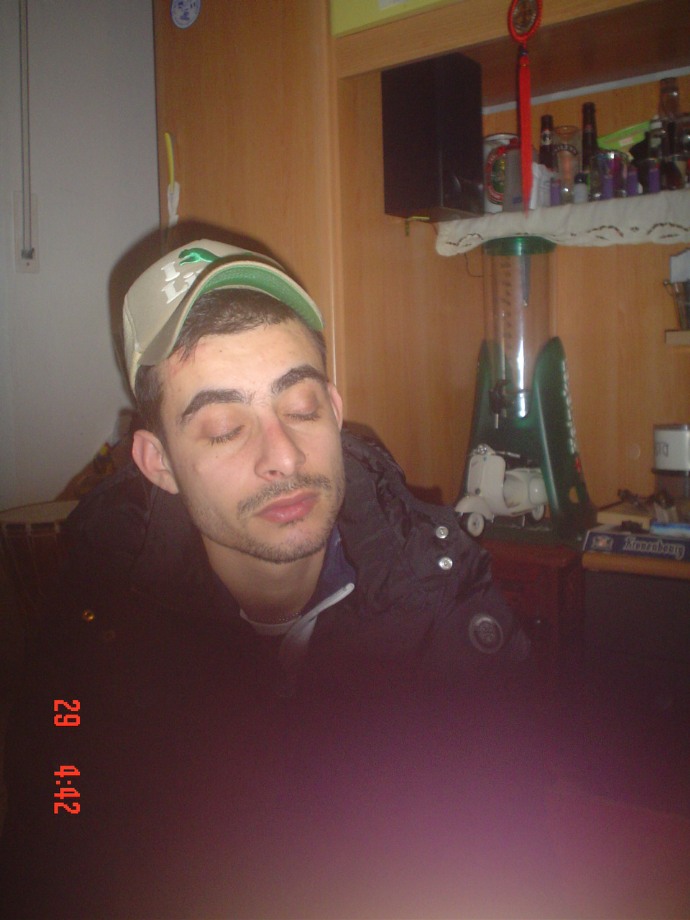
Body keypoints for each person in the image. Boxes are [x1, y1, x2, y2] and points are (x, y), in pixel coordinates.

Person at [0, 240, 556, 919]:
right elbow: (58, 829)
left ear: (335, 409)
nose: (284, 456)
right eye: (224, 428)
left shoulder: (441, 591)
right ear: (158, 463)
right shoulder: (91, 640)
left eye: (299, 407)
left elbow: (509, 843)